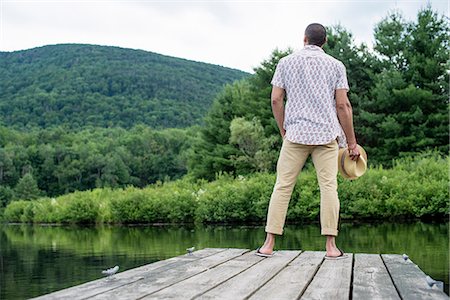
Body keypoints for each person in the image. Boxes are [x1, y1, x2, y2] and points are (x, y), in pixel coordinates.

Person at [257, 23, 360, 259]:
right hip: (326, 135)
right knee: (329, 188)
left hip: (295, 134)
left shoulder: (285, 62)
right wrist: (352, 143)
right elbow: (343, 105)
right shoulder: (336, 65)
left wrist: (283, 128)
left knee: (282, 187)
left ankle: (269, 244)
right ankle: (331, 247)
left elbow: (275, 100)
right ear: (324, 42)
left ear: (304, 39)